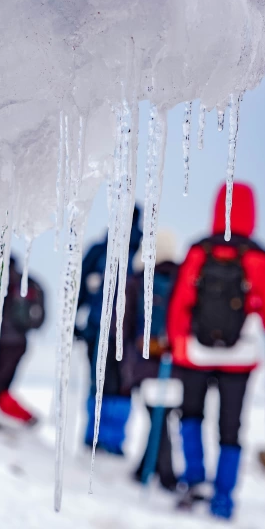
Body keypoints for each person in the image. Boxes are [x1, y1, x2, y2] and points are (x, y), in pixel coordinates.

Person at [167, 183, 265, 519]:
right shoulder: (260, 258)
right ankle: (224, 498)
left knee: (191, 415)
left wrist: (177, 343)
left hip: (195, 354)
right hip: (240, 357)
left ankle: (194, 481)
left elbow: (180, 304)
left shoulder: (198, 251)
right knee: (230, 427)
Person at [76, 206, 142, 454]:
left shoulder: (101, 250)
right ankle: (109, 439)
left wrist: (75, 321)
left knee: (100, 382)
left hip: (101, 329)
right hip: (125, 335)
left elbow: (80, 287)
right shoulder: (142, 251)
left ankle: (97, 438)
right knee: (120, 385)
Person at [123, 229, 180, 491]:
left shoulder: (137, 280)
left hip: (144, 361)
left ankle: (163, 475)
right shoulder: (182, 279)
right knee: (162, 414)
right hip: (175, 361)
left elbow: (122, 324)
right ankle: (153, 471)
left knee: (157, 414)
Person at [0, 256, 45, 424]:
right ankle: (18, 419)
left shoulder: (3, 284)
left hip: (2, 343)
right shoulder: (28, 284)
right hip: (19, 343)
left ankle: (26, 418)